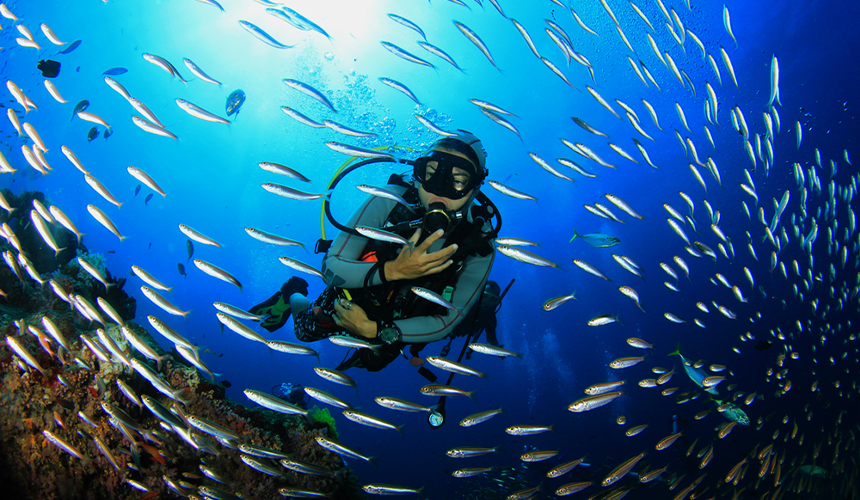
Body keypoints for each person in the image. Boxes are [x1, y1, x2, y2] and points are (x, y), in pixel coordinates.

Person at [287, 130, 499, 371]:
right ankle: (292, 292)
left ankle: (365, 345)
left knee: (374, 363)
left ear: (475, 186)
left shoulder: (480, 246)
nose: (438, 190)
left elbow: (450, 319)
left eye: (458, 180)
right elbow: (332, 266)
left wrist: (376, 330)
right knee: (304, 332)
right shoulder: (389, 200)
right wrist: (393, 271)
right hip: (347, 299)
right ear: (418, 174)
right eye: (430, 174)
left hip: (394, 322)